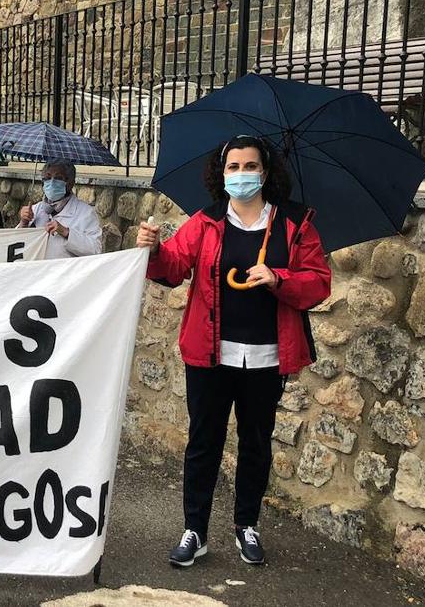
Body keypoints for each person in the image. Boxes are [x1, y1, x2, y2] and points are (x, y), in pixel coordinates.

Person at [135, 135, 330, 568]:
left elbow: (318, 283)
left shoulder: (295, 225)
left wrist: (279, 278)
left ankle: (246, 525)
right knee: (204, 442)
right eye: (233, 167)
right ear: (220, 174)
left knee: (255, 444)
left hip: (265, 357)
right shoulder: (205, 223)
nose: (242, 175)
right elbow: (172, 268)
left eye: (250, 166)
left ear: (266, 172)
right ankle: (195, 530)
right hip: (210, 355)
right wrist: (152, 250)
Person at [16, 161, 102, 258]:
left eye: (58, 178)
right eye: (48, 178)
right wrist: (23, 223)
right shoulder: (35, 209)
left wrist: (66, 233)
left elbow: (96, 249)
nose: (52, 182)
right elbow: (15, 245)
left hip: (65, 271)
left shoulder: (85, 213)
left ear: (70, 183)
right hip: (37, 270)